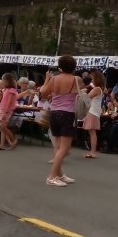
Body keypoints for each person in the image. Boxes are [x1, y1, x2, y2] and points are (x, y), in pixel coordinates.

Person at [42, 55, 82, 186]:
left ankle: (59, 174)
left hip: (54, 112)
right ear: (74, 67)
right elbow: (79, 93)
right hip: (68, 113)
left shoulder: (54, 79)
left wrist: (47, 79)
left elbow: (43, 93)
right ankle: (52, 176)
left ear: (60, 67)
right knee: (65, 148)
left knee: (58, 146)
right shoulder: (77, 79)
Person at [82, 70, 105, 159]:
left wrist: (83, 92)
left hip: (92, 111)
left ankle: (93, 152)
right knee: (92, 132)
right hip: (94, 111)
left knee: (92, 132)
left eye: (93, 78)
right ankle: (92, 151)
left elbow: (87, 97)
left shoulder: (96, 89)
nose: (92, 80)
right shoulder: (99, 89)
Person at [0, 73, 18, 150]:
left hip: (6, 110)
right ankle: (3, 144)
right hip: (2, 109)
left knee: (3, 127)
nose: (2, 82)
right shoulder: (6, 90)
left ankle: (13, 140)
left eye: (3, 80)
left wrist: (5, 112)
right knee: (2, 127)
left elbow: (9, 102)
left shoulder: (11, 90)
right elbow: (4, 100)